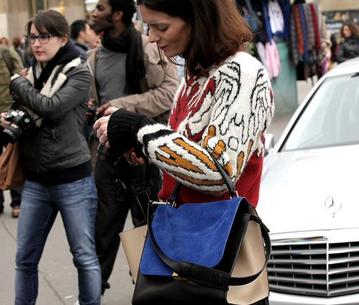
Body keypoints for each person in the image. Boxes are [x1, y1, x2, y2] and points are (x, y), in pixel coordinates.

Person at [93, 0, 274, 302]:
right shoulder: (194, 75)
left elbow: (217, 171)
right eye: (148, 26)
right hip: (185, 245)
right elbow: (188, 153)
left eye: (161, 26)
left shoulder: (243, 72)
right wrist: (142, 148)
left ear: (199, 20)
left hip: (223, 255)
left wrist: (141, 130)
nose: (151, 37)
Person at [7, 10, 100, 305]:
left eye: (44, 36)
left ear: (62, 39)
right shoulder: (31, 73)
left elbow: (51, 107)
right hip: (35, 180)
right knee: (25, 258)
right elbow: (23, 112)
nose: (37, 43)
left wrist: (19, 85)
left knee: (84, 257)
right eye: (33, 36)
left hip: (72, 178)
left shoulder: (78, 72)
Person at [88, 0, 179, 296]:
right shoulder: (94, 58)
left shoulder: (151, 49)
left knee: (146, 235)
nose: (93, 13)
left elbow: (168, 94)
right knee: (101, 236)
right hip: (107, 158)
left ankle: (149, 294)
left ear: (117, 14)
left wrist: (122, 109)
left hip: (144, 158)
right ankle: (92, 295)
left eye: (100, 7)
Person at [0, 37, 24, 218]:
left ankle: (17, 201)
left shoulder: (8, 53)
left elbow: (21, 82)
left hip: (8, 115)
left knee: (13, 157)